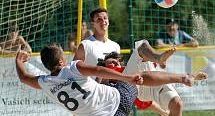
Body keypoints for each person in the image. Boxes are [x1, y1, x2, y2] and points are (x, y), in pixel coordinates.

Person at [16, 43, 207, 116]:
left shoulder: (46, 83)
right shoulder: (73, 68)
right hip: (119, 98)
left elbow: (24, 77)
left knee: (140, 70)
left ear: (47, 65)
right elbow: (99, 69)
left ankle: (158, 62)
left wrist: (18, 61)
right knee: (138, 64)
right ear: (61, 60)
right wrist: (127, 77)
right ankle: (183, 77)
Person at [98, 51, 169, 116]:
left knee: (147, 100)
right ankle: (164, 112)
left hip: (133, 90)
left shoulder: (124, 70)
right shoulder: (107, 78)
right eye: (110, 64)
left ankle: (164, 112)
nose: (114, 64)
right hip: (124, 97)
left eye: (115, 62)